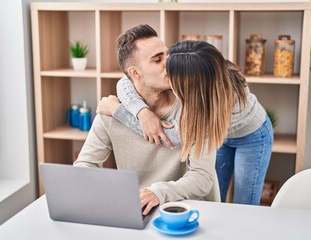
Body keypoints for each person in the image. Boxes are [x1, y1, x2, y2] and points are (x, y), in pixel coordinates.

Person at [98, 33, 273, 205]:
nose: (165, 68)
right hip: (219, 136)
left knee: (245, 202)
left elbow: (173, 135)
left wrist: (119, 112)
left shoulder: (209, 98)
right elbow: (126, 81)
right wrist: (142, 112)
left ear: (191, 82)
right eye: (160, 59)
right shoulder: (187, 64)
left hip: (251, 134)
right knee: (218, 194)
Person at [73, 24, 216, 216]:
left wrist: (157, 193)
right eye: (158, 60)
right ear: (135, 73)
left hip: (184, 210)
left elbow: (202, 178)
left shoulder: (195, 106)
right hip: (136, 209)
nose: (170, 63)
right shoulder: (110, 112)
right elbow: (85, 166)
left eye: (168, 55)